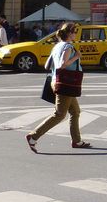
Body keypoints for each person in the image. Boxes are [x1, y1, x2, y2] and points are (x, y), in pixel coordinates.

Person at [25, 22, 90, 152]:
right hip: (66, 83)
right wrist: (76, 57)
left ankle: (77, 141)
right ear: (70, 33)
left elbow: (47, 66)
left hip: (58, 81)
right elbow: (62, 65)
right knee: (59, 114)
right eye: (75, 32)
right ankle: (33, 136)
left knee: (75, 112)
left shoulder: (57, 46)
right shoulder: (68, 47)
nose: (76, 34)